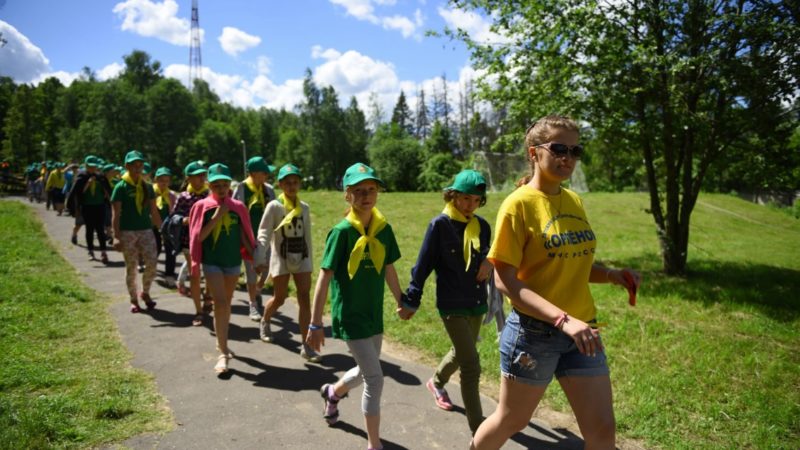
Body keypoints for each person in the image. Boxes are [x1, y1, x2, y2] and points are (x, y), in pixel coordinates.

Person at [470, 115, 642, 450]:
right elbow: (505, 280)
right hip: (535, 335)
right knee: (513, 419)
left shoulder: (573, 200)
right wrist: (562, 320)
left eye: (575, 150)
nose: (568, 157)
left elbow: (572, 261)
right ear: (534, 153)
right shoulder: (518, 205)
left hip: (582, 332)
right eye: (559, 148)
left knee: (602, 431)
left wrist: (612, 275)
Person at [307, 162, 414, 450]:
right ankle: (374, 444)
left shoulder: (383, 229)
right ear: (347, 195)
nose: (366, 195)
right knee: (375, 379)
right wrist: (316, 323)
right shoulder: (341, 232)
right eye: (359, 191)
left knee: (366, 370)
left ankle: (332, 392)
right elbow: (324, 277)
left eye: (371, 189)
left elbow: (389, 267)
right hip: (350, 316)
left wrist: (400, 300)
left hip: (372, 314)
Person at [402, 169, 493, 434]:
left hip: (476, 300)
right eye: (465, 198)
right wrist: (411, 300)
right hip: (451, 303)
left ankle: (437, 381)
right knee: (470, 364)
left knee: (462, 350)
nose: (470, 205)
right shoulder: (439, 226)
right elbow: (422, 266)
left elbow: (492, 252)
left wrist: (489, 261)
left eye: (476, 200)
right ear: (452, 195)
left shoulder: (482, 226)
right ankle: (479, 428)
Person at [188, 163, 255, 375]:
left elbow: (244, 234)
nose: (221, 188)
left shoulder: (238, 207)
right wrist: (217, 216)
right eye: (216, 184)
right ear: (209, 185)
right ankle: (223, 353)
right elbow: (199, 237)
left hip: (232, 262)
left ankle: (221, 341)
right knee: (220, 302)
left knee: (226, 304)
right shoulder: (202, 206)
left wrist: (254, 255)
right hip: (212, 262)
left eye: (225, 184)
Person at [253, 163, 317, 361]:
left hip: (302, 258)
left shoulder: (304, 208)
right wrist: (260, 254)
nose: (291, 186)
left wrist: (310, 263)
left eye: (295, 182)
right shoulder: (274, 206)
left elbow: (308, 236)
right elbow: (264, 231)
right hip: (280, 257)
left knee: (304, 298)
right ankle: (265, 320)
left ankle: (307, 345)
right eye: (287, 183)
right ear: (280, 184)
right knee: (279, 298)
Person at [111, 150, 162, 313]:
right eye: (134, 164)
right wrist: (116, 237)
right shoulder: (120, 187)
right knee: (131, 267)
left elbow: (154, 211)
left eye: (140, 164)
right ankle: (134, 299)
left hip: (146, 230)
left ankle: (145, 292)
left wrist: (162, 230)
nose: (137, 167)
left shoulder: (147, 187)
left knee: (152, 264)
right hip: (127, 232)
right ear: (127, 166)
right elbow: (116, 214)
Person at [232, 156, 276, 321]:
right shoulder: (242, 188)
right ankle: (253, 305)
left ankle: (257, 291)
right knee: (251, 272)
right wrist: (245, 241)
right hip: (247, 237)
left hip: (266, 237)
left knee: (266, 270)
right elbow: (237, 215)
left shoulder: (268, 189)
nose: (267, 176)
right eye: (264, 173)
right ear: (254, 173)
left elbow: (276, 212)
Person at [174, 160, 211, 326]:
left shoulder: (210, 195)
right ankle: (199, 311)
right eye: (197, 176)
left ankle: (208, 298)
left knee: (211, 273)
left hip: (210, 240)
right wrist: (183, 220)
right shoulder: (183, 197)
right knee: (195, 275)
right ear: (188, 178)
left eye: (203, 175)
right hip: (189, 242)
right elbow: (173, 217)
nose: (201, 179)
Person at [72, 156, 111, 262]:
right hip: (87, 206)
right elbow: (79, 193)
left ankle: (103, 252)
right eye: (90, 166)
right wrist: (88, 184)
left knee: (100, 229)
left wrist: (108, 196)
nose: (93, 168)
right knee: (89, 229)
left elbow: (107, 191)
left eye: (94, 166)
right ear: (86, 165)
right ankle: (91, 251)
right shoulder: (82, 176)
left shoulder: (101, 177)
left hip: (100, 206)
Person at [153, 167, 178, 287]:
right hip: (153, 227)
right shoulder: (151, 193)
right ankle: (151, 268)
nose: (164, 183)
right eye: (161, 180)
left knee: (170, 252)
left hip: (168, 228)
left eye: (167, 180)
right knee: (154, 249)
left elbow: (175, 211)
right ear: (156, 180)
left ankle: (170, 275)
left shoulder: (171, 195)